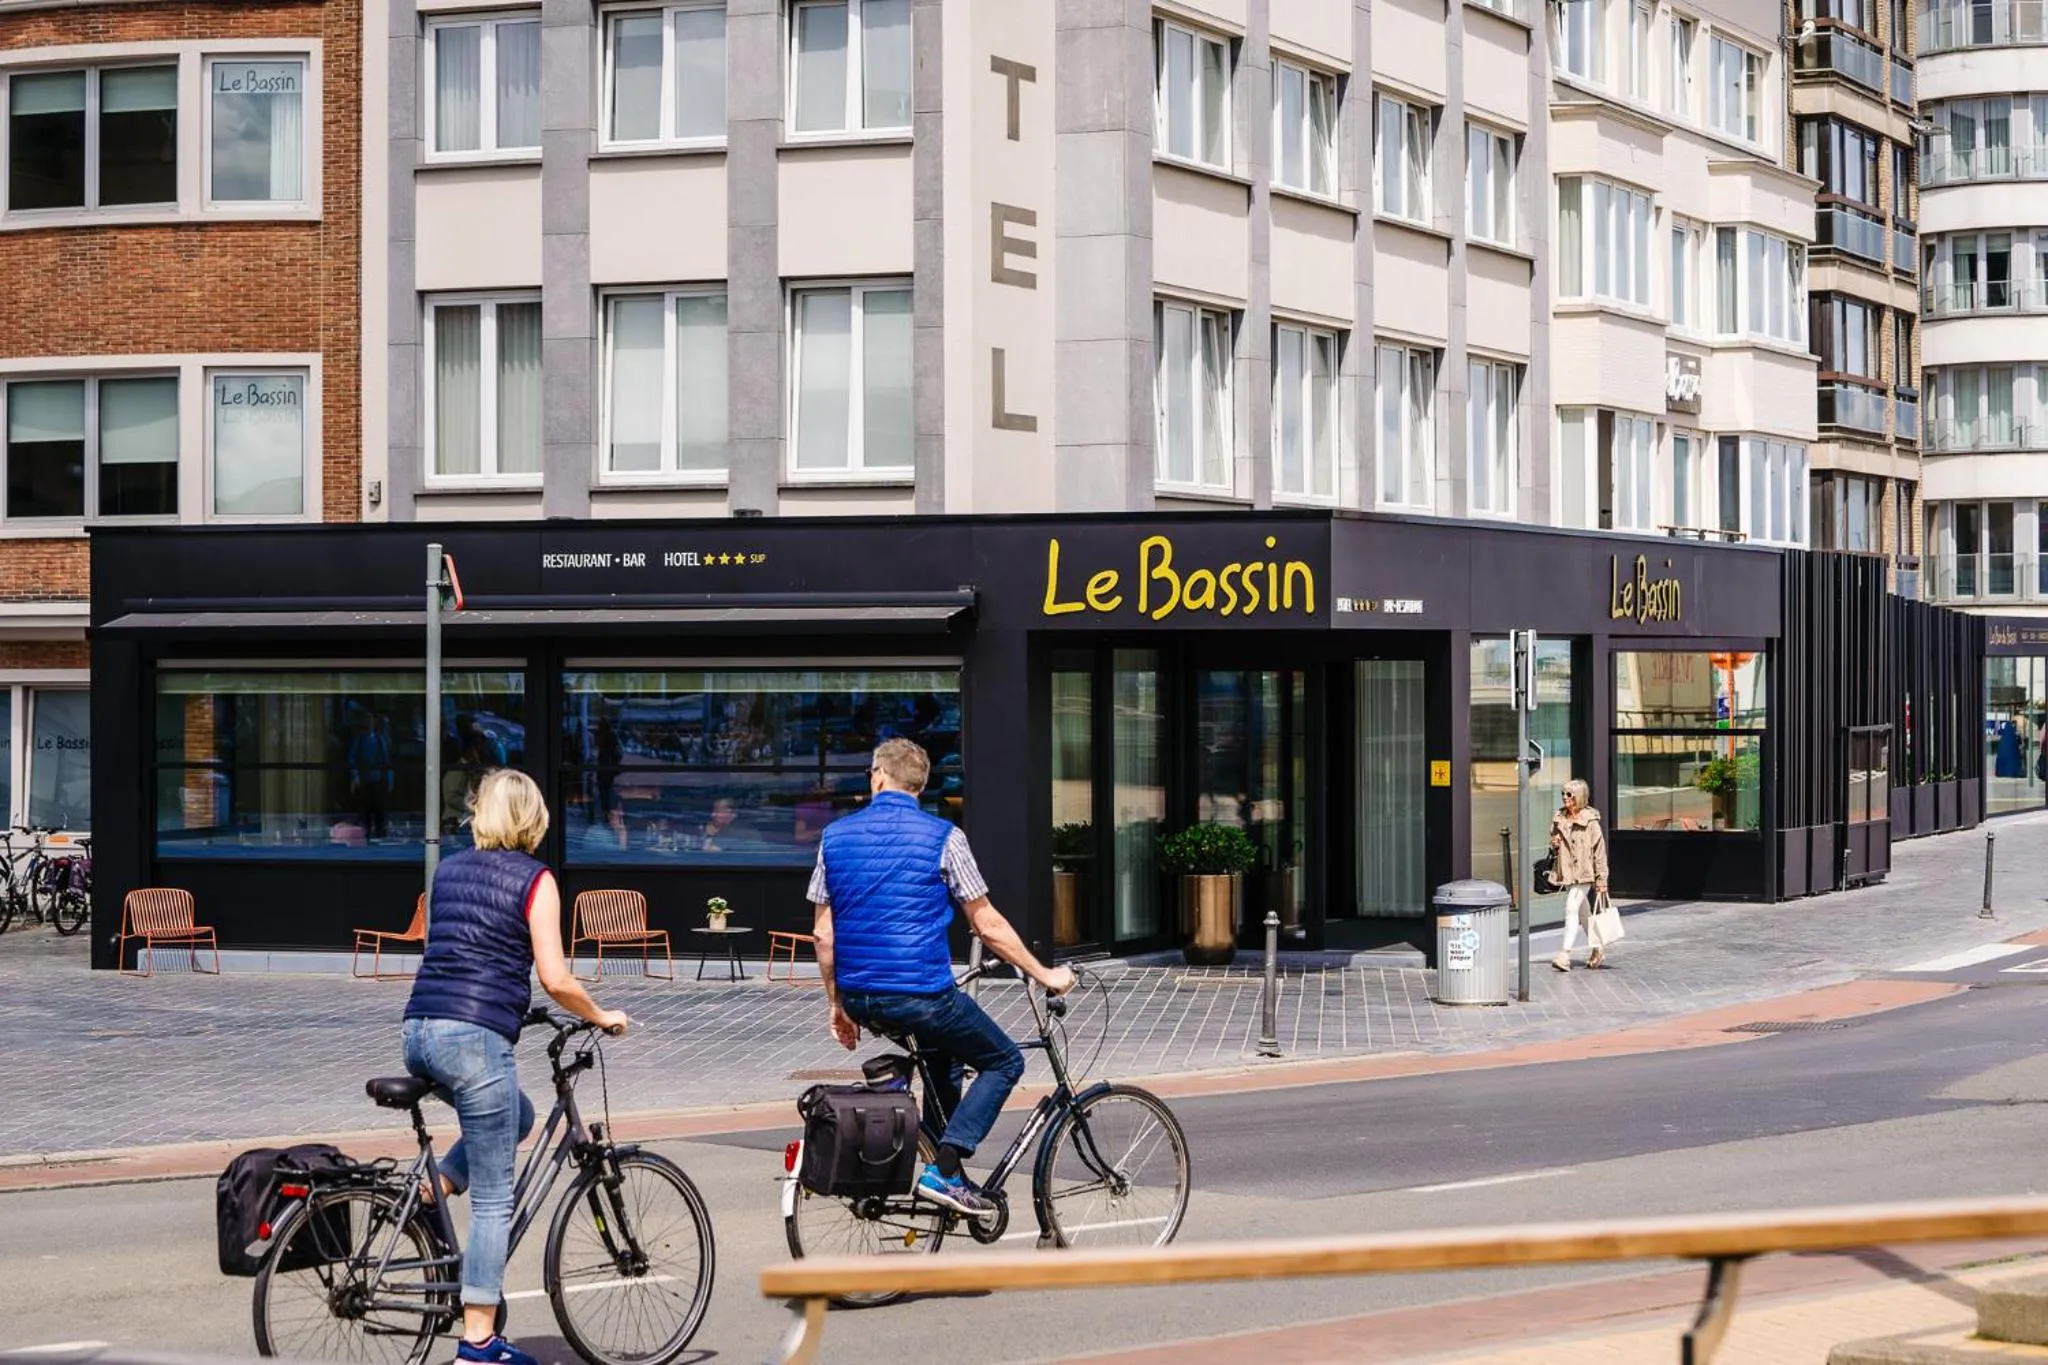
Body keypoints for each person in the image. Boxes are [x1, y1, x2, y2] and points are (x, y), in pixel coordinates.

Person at [401, 770, 629, 1365]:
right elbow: (556, 977)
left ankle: (436, 1185)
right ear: (535, 819)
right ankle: (479, 1343)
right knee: (495, 1202)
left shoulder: (447, 871)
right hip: (472, 1040)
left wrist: (505, 1001)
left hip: (419, 1029)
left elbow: (457, 952)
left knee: (518, 1112)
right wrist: (601, 1015)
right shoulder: (537, 879)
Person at [810, 737, 1075, 1217]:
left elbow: (823, 936)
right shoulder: (944, 837)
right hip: (921, 995)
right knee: (1004, 1060)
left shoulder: (834, 837)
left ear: (877, 776)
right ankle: (945, 1170)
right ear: (922, 784)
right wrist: (1042, 974)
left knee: (946, 1060)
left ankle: (936, 1161)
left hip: (862, 996)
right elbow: (987, 923)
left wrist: (838, 1005)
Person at [1548, 778, 1611, 972]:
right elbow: (1553, 840)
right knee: (1583, 913)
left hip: (1584, 873)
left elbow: (1599, 852)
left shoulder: (1590, 822)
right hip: (1566, 872)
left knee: (1571, 907)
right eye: (1563, 794)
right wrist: (1555, 843)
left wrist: (1602, 879)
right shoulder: (1559, 817)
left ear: (1579, 797)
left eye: (1569, 795)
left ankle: (1565, 954)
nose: (1565, 798)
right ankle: (1597, 948)